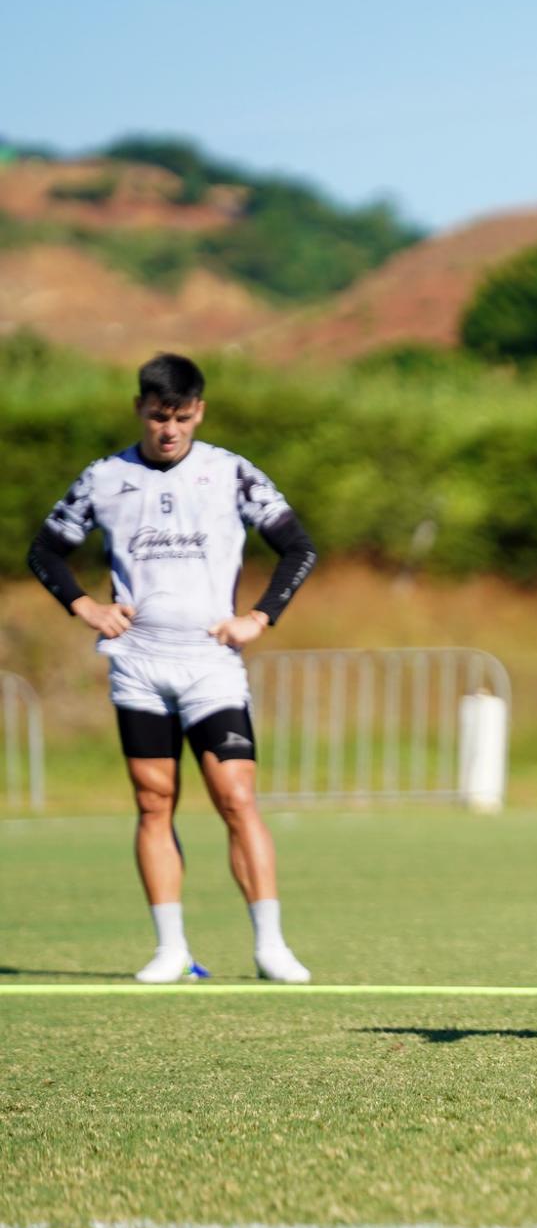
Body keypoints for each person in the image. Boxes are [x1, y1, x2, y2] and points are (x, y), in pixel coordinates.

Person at [27, 353, 318, 984]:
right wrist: (83, 605)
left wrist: (260, 617)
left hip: (210, 667)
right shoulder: (103, 478)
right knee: (154, 802)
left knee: (236, 797)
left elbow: (298, 545)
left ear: (199, 412)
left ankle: (271, 946)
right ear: (140, 409)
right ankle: (171, 949)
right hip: (138, 665)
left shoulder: (231, 473)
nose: (170, 430)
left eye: (182, 418)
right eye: (159, 417)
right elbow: (45, 550)